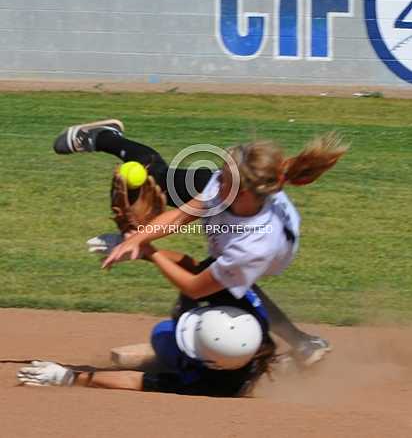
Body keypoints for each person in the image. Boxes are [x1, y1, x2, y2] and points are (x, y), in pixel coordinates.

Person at [52, 120, 348, 365]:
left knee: (200, 296)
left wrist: (146, 252)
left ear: (242, 193)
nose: (215, 180)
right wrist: (138, 236)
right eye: (220, 173)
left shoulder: (254, 245)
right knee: (160, 178)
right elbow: (180, 216)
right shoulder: (227, 184)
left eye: (223, 179)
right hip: (242, 230)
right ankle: (104, 137)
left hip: (262, 252)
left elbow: (195, 284)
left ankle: (277, 348)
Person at [17, 244, 276, 397]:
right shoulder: (251, 319)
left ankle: (171, 357)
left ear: (211, 363)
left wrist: (70, 377)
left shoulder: (209, 385)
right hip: (232, 357)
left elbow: (135, 381)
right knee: (188, 299)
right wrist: (143, 249)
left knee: (162, 333)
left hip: (205, 366)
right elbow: (194, 265)